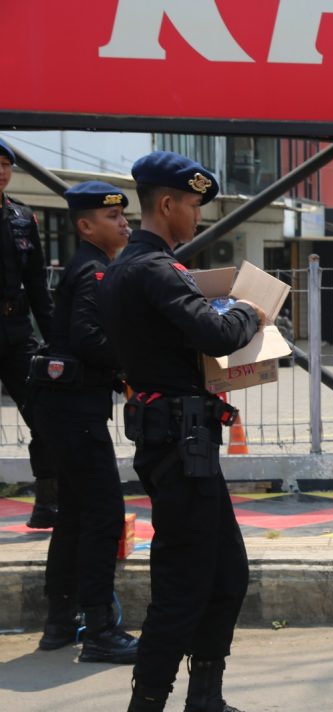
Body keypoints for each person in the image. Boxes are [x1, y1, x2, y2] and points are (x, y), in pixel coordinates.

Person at [98, 151, 267, 712]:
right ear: (166, 204)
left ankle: (206, 697)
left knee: (227, 573)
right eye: (193, 205)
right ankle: (148, 701)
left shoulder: (131, 270)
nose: (197, 216)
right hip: (178, 444)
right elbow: (217, 335)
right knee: (182, 583)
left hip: (182, 442)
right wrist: (249, 309)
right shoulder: (153, 270)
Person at [32, 181, 138, 663]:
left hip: (66, 410)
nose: (124, 223)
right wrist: (134, 366)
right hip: (76, 414)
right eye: (112, 217)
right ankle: (99, 629)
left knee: (74, 517)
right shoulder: (94, 271)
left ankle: (60, 622)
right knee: (103, 515)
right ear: (85, 225)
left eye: (123, 216)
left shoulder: (89, 267)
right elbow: (89, 337)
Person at [0, 137, 57, 528]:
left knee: (44, 413)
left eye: (6, 165)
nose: (2, 171)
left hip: (16, 331)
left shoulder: (22, 218)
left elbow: (37, 285)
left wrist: (55, 340)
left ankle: (48, 504)